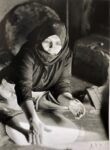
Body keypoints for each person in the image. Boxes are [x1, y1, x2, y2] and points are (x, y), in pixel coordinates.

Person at [0, 19, 85, 144]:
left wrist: (69, 101)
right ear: (40, 39)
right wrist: (32, 119)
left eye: (57, 42)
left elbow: (62, 85)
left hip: (38, 92)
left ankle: (36, 105)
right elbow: (23, 87)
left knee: (63, 110)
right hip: (11, 90)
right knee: (17, 130)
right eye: (48, 41)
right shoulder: (28, 52)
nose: (52, 47)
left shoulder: (66, 55)